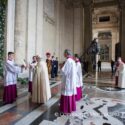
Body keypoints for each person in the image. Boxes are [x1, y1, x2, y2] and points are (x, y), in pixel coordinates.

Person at [60, 49, 77, 114]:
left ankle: (66, 108)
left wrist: (61, 67)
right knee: (70, 94)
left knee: (67, 94)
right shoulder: (72, 61)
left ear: (66, 54)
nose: (63, 54)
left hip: (68, 81)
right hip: (72, 81)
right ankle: (71, 107)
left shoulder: (68, 61)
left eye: (64, 53)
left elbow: (64, 72)